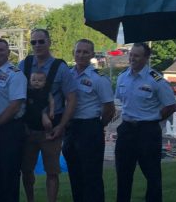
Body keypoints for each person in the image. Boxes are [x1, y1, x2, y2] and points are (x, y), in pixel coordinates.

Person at [18, 29, 78, 202]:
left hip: (51, 130)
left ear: (49, 42)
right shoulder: (25, 64)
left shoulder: (60, 67)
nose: (37, 45)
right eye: (33, 42)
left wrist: (61, 126)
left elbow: (71, 99)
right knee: (26, 170)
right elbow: (17, 94)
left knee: (52, 171)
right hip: (28, 127)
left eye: (41, 41)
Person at [115, 43, 176, 202]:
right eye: (131, 54)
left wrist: (154, 119)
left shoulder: (156, 80)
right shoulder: (122, 77)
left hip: (147, 132)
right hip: (126, 130)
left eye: (136, 55)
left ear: (146, 58)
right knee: (123, 175)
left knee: (153, 175)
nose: (132, 58)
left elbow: (170, 106)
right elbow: (121, 101)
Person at [65, 39, 115, 202]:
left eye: (85, 52)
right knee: (74, 173)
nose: (81, 55)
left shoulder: (99, 79)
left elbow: (109, 107)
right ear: (74, 52)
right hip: (71, 128)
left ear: (92, 55)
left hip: (90, 127)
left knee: (92, 175)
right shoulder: (68, 75)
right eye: (78, 51)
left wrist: (100, 125)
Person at [0, 39, 27, 202]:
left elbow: (15, 105)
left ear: (8, 53)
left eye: (1, 50)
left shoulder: (15, 74)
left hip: (10, 129)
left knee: (9, 175)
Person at [20, 71, 57, 202]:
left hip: (45, 131)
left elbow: (51, 101)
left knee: (52, 170)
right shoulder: (27, 92)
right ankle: (30, 199)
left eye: (39, 80)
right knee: (26, 169)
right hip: (30, 131)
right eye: (34, 80)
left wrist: (51, 111)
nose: (36, 82)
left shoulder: (46, 92)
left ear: (45, 82)